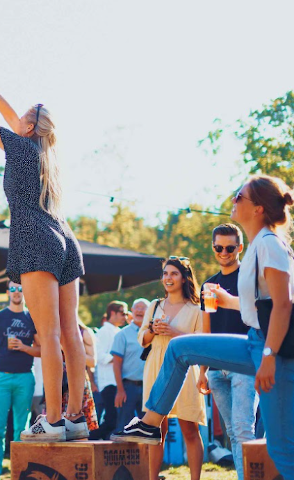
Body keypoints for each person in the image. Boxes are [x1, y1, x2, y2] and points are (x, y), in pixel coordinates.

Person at [113, 176, 294, 478]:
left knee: (280, 447)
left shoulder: (271, 245)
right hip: (253, 340)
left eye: (240, 196)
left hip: (272, 348)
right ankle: (149, 423)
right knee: (181, 349)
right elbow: (257, 308)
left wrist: (270, 355)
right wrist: (228, 300)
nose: (233, 200)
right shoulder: (257, 247)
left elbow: (284, 305)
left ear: (258, 208)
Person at [0, 62, 88, 442]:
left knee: (49, 333)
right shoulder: (46, 155)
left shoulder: (19, 146)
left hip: (33, 236)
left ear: (29, 127)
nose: (16, 118)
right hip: (64, 237)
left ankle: (53, 420)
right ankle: (75, 417)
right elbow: (11, 117)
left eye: (23, 117)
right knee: (70, 333)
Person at [112, 257, 206, 480]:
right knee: (154, 431)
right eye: (165, 274)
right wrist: (153, 330)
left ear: (184, 278)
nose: (168, 278)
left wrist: (173, 332)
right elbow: (142, 338)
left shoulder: (196, 308)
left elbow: (202, 341)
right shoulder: (154, 306)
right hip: (155, 367)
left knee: (189, 429)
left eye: (173, 273)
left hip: (184, 370)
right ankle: (152, 477)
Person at [198, 223, 257, 479]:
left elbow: (257, 316)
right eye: (219, 247)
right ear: (213, 248)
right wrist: (202, 370)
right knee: (233, 432)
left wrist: (229, 301)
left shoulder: (250, 277)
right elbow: (206, 330)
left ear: (240, 247)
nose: (224, 252)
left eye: (230, 247)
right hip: (215, 370)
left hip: (244, 363)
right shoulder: (208, 285)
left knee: (244, 429)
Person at [0, 281, 39, 480]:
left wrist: (24, 347)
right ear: (8, 292)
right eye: (13, 289)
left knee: (22, 429)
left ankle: (19, 472)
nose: (17, 292)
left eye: (21, 289)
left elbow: (42, 350)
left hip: (25, 377)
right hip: (1, 377)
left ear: (26, 292)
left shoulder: (32, 317)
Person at [90, 301, 128, 440]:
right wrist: (118, 358)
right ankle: (90, 439)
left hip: (118, 382)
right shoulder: (104, 331)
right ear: (113, 313)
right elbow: (98, 356)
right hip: (108, 383)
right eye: (122, 313)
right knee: (111, 420)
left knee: (116, 420)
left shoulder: (118, 331)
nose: (125, 316)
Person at [111, 299, 149, 433]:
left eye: (143, 308)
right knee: (123, 428)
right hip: (128, 388)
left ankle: (147, 455)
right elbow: (116, 364)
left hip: (149, 388)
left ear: (149, 312)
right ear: (131, 312)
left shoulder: (155, 334)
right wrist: (120, 390)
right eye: (136, 308)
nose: (139, 310)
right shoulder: (122, 334)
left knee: (148, 429)